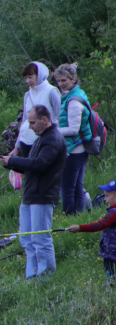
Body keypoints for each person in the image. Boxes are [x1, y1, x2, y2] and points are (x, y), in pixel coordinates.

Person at [2, 105, 67, 279]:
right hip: (29, 195)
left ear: (44, 120)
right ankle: (31, 276)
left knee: (40, 239)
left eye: (32, 122)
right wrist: (11, 164)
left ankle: (46, 276)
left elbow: (40, 165)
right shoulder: (40, 138)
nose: (30, 126)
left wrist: (14, 159)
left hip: (43, 196)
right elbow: (32, 167)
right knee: (27, 240)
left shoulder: (53, 139)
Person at [55, 63, 92, 215]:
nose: (61, 84)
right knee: (77, 187)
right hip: (78, 148)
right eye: (58, 81)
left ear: (73, 79)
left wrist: (52, 130)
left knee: (67, 189)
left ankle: (69, 218)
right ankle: (79, 217)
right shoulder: (73, 95)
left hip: (74, 150)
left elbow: (73, 129)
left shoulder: (74, 101)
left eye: (64, 80)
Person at [67, 179, 116, 283]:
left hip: (111, 252)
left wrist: (79, 227)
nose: (104, 199)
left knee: (110, 275)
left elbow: (99, 225)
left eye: (107, 196)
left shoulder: (113, 213)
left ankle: (110, 287)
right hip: (111, 251)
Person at [10, 62, 61, 158]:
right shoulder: (27, 95)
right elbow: (24, 120)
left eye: (30, 77)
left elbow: (60, 118)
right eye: (26, 78)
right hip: (25, 141)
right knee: (28, 171)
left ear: (40, 74)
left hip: (44, 141)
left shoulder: (52, 91)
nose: (28, 81)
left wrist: (57, 141)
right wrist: (16, 147)